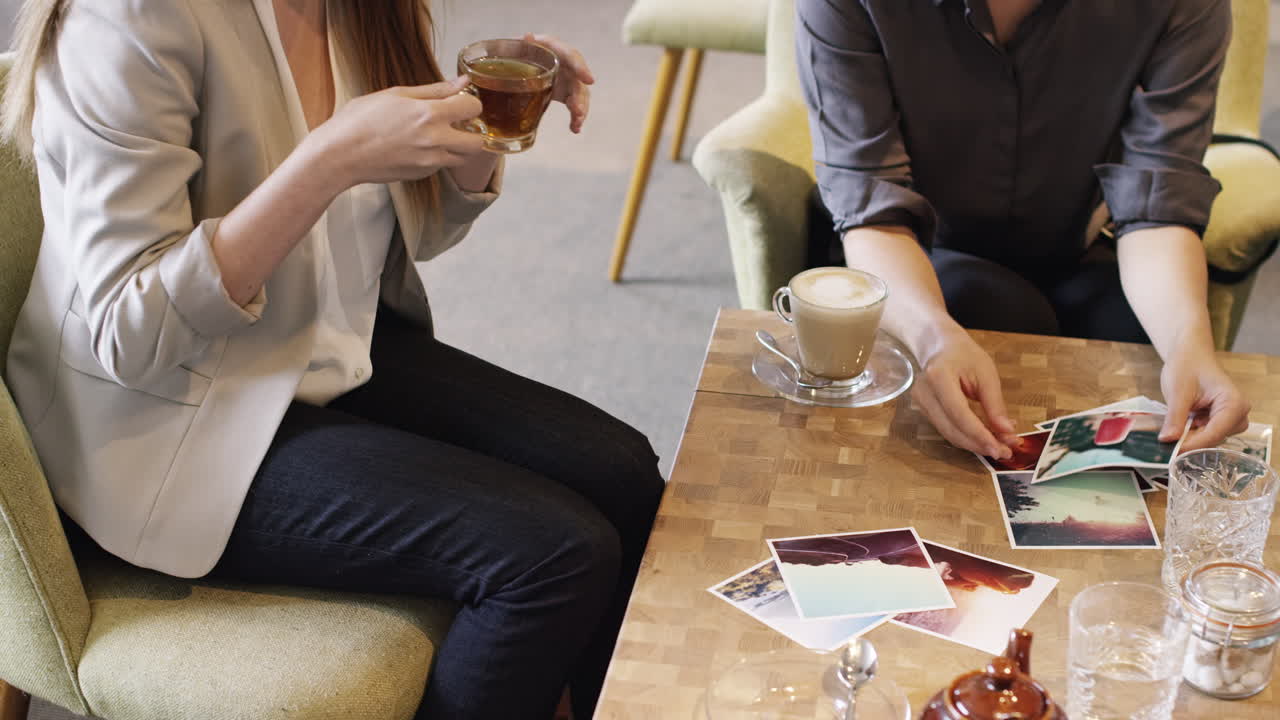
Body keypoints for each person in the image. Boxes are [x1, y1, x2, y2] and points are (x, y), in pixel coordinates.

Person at [1, 1, 664, 717]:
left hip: (322, 346)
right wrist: (329, 160)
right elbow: (131, 333)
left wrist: (489, 124)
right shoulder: (131, 17)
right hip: (164, 417)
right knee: (552, 558)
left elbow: (418, 223)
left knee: (625, 473)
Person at [796, 0, 1250, 460]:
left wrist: (1188, 346)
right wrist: (932, 339)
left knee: (1151, 377)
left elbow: (1156, 204)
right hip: (912, 255)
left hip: (1081, 249)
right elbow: (873, 208)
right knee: (988, 309)